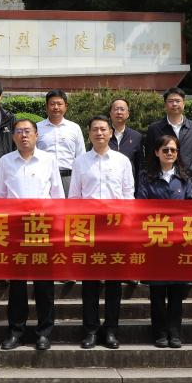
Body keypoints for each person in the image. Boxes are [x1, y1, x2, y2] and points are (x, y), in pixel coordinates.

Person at [0, 118, 64, 350]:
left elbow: (57, 195)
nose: (23, 135)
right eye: (19, 132)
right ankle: (16, 331)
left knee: (44, 284)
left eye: (28, 131)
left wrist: (58, 228)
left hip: (43, 227)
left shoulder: (48, 160)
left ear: (36, 135)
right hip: (15, 228)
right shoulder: (6, 161)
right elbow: (0, 197)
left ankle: (44, 332)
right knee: (16, 284)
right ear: (13, 136)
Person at [69, 115, 135, 349]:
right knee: (90, 283)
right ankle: (90, 330)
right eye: (95, 129)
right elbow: (74, 197)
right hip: (89, 228)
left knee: (114, 283)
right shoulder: (80, 162)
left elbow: (128, 195)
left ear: (110, 133)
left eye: (103, 129)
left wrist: (126, 225)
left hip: (115, 228)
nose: (99, 133)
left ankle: (111, 330)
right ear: (89, 134)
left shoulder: (122, 161)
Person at [136, 133, 192, 348]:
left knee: (177, 293)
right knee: (157, 292)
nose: (169, 153)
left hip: (178, 243)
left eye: (173, 150)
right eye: (165, 150)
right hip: (155, 241)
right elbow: (141, 205)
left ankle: (175, 333)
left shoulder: (185, 178)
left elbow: (190, 207)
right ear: (157, 152)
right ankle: (159, 333)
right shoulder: (146, 177)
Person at [144, 87, 192, 176]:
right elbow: (149, 157)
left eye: (178, 101)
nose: (174, 104)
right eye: (171, 101)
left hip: (189, 180)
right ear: (165, 105)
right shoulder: (154, 129)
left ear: (184, 104)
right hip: (162, 179)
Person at [36, 89, 85, 194]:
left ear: (65, 106)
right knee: (46, 209)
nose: (56, 107)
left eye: (59, 104)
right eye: (52, 104)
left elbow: (81, 155)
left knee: (70, 209)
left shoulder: (74, 128)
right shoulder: (37, 128)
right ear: (46, 107)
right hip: (44, 177)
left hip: (69, 178)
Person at [108, 96, 142, 181]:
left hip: (129, 185)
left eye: (122, 109)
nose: (119, 112)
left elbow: (139, 166)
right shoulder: (103, 135)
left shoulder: (136, 137)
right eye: (116, 109)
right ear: (110, 113)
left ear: (128, 114)